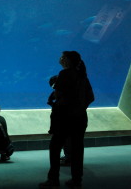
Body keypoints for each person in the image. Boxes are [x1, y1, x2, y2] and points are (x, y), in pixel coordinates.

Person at [40, 51, 95, 189]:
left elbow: (59, 96)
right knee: (77, 149)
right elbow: (91, 97)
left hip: (64, 118)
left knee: (55, 147)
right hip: (80, 118)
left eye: (63, 57)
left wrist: (60, 105)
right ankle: (77, 180)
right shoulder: (83, 76)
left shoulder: (64, 74)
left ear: (68, 61)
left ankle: (53, 180)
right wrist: (80, 108)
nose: (60, 58)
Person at [47, 75, 71, 166]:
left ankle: (68, 158)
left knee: (63, 141)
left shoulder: (61, 93)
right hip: (62, 121)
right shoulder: (63, 92)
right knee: (66, 140)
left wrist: (53, 105)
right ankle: (68, 157)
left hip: (63, 121)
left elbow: (50, 101)